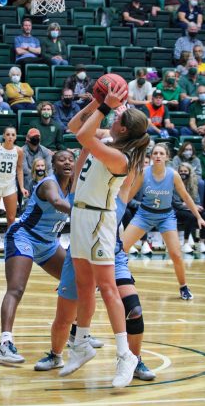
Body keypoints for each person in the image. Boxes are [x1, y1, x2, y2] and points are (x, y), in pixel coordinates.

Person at [60, 88, 150, 387]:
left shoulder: (121, 158)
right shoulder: (108, 139)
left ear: (122, 127)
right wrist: (97, 103)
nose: (112, 116)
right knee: (85, 286)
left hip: (101, 219)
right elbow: (75, 128)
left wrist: (103, 106)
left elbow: (84, 138)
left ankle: (126, 356)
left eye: (116, 116)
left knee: (108, 287)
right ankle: (82, 344)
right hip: (81, 216)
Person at [34, 163, 155, 381]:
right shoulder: (80, 192)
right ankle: (56, 355)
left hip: (112, 256)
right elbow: (83, 157)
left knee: (134, 309)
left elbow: (131, 163)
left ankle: (134, 360)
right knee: (64, 317)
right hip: (79, 254)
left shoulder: (118, 194)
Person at [0, 150, 74, 363]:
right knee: (16, 288)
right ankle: (4, 343)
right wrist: (83, 212)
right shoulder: (49, 184)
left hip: (48, 243)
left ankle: (76, 333)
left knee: (77, 282)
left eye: (70, 159)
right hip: (24, 236)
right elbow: (57, 202)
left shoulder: (76, 187)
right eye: (61, 160)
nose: (67, 162)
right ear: (53, 165)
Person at [123, 143, 205, 300]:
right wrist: (114, 214)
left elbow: (187, 197)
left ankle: (184, 287)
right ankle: (109, 281)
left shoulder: (173, 174)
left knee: (176, 254)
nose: (158, 156)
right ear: (151, 156)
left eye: (161, 153)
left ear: (167, 157)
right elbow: (129, 195)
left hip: (165, 217)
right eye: (155, 153)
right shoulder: (143, 173)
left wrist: (199, 217)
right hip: (144, 215)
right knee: (121, 248)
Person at [0, 126, 28, 262]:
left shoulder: (19, 151)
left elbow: (19, 169)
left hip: (10, 186)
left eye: (12, 134)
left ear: (15, 137)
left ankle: (10, 247)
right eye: (7, 134)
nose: (10, 137)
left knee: (11, 218)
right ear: (3, 136)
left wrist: (22, 187)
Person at [173, 163, 205, 253]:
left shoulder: (193, 184)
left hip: (191, 209)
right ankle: (185, 243)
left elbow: (198, 201)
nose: (183, 173)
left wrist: (191, 206)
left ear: (189, 172)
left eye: (185, 171)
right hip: (178, 210)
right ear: (178, 173)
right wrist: (191, 206)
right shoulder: (174, 184)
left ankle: (202, 243)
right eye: (181, 171)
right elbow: (176, 203)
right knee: (190, 216)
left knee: (204, 215)